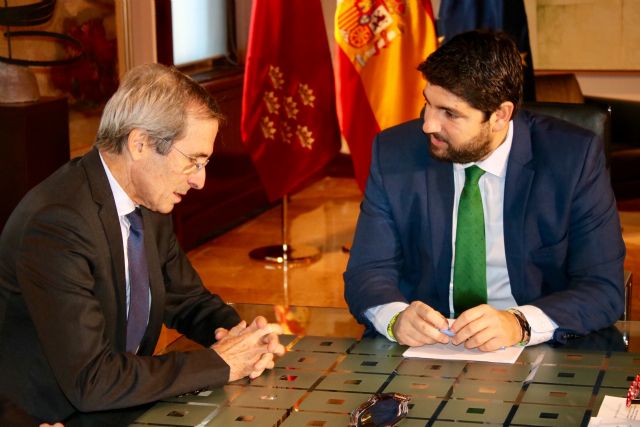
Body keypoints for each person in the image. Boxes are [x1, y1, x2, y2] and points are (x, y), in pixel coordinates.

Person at [0, 63, 285, 424]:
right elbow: (93, 380)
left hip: (125, 399)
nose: (200, 181)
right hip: (52, 414)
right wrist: (220, 363)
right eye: (193, 162)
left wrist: (242, 336)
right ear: (140, 144)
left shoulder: (147, 199)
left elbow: (187, 299)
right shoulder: (58, 224)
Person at [344, 30, 625, 352]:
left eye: (450, 113)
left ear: (500, 116)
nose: (429, 125)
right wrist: (395, 318)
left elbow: (603, 287)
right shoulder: (395, 151)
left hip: (537, 346)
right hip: (429, 348)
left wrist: (519, 323)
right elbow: (367, 270)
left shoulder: (572, 159)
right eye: (428, 104)